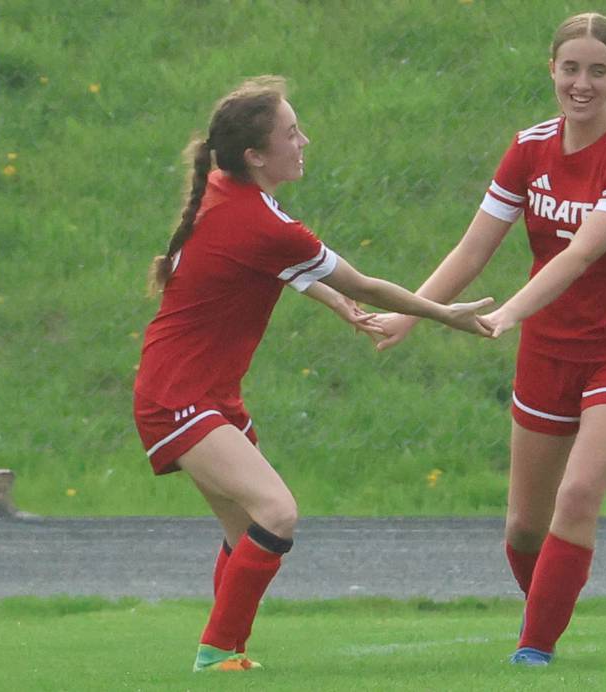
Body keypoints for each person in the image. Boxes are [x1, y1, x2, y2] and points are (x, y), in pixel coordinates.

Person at [132, 75, 493, 673]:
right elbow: (366, 283)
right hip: (179, 396)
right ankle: (218, 652)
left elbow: (266, 267)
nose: (304, 140)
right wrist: (443, 313)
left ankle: (225, 654)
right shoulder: (265, 223)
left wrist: (332, 304)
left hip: (195, 389)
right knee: (277, 514)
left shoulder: (228, 190)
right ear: (257, 156)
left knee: (245, 527)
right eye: (291, 133)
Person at [374, 13, 606, 665]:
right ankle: (550, 600)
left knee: (577, 496)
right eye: (570, 68)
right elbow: (472, 248)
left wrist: (505, 314)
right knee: (524, 526)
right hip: (552, 347)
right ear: (551, 69)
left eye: (597, 71)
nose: (581, 84)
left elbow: (577, 256)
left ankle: (533, 652)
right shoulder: (529, 148)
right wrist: (411, 311)